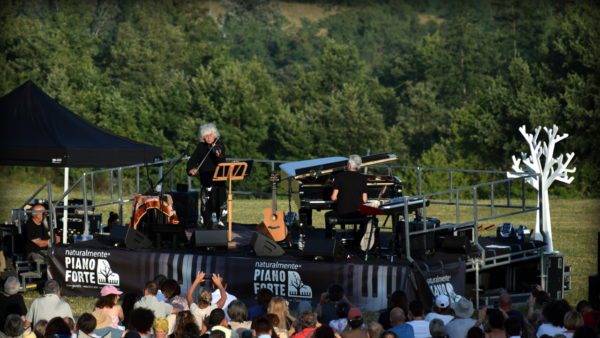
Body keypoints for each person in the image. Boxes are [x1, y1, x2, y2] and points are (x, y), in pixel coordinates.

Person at [187, 123, 226, 229]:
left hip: (219, 182)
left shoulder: (219, 145)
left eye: (210, 135)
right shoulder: (201, 147)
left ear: (215, 135)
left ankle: (222, 226)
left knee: (220, 205)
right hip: (206, 180)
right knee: (205, 207)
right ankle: (206, 227)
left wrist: (217, 153)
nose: (208, 138)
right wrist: (191, 169)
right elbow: (192, 161)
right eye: (206, 136)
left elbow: (221, 159)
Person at [324, 155, 368, 239]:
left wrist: (341, 200)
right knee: (367, 215)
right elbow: (365, 200)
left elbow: (333, 197)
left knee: (328, 215)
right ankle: (360, 239)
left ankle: (328, 240)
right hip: (358, 214)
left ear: (350, 165)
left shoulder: (339, 176)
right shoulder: (363, 178)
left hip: (342, 213)